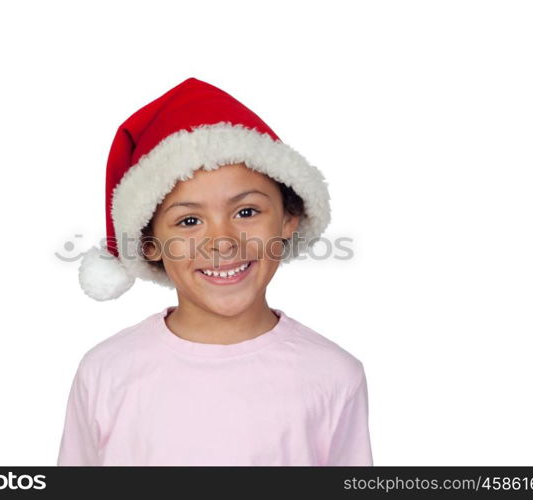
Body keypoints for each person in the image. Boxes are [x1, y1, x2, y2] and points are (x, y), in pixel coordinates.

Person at [57, 77, 373, 466]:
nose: (222, 242)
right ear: (150, 243)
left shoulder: (334, 376)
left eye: (246, 212)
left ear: (290, 218)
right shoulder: (106, 372)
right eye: (189, 221)